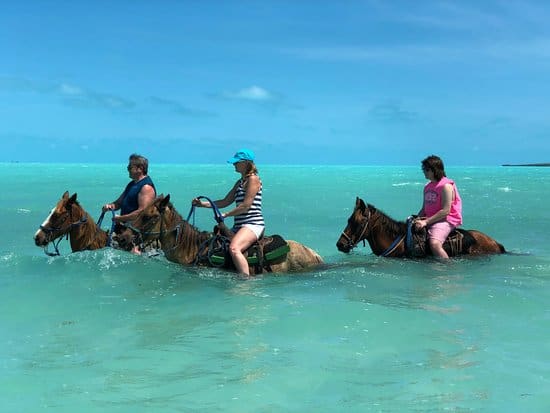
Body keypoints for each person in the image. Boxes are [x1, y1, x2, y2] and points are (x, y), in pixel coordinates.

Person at [192, 148, 265, 276]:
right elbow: (225, 201)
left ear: (246, 163)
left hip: (253, 225)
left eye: (236, 162)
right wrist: (202, 205)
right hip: (239, 226)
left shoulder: (253, 179)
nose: (234, 164)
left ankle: (245, 282)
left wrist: (226, 214)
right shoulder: (240, 182)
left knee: (234, 248)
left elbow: (245, 206)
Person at [103, 153, 156, 252]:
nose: (127, 169)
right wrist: (110, 206)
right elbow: (118, 203)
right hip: (124, 227)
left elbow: (141, 213)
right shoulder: (132, 184)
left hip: (137, 232)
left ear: (140, 168)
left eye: (130, 167)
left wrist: (120, 218)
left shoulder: (146, 188)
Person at [415, 155, 462, 259]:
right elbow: (424, 209)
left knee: (434, 244)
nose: (424, 172)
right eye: (423, 169)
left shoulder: (446, 186)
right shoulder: (427, 187)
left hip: (446, 220)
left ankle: (447, 268)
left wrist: (425, 222)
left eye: (426, 169)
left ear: (435, 170)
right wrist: (416, 219)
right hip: (430, 219)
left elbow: (446, 211)